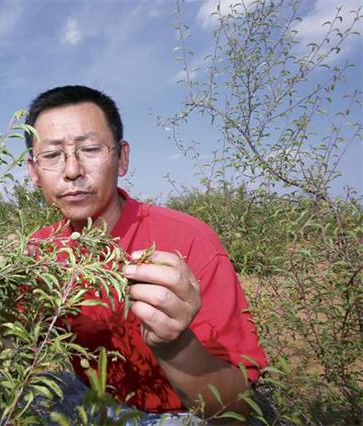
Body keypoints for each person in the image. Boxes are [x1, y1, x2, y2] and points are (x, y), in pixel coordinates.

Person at [23, 85, 268, 422]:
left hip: (182, 414)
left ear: (122, 158)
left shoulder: (191, 241)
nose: (72, 170)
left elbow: (240, 409)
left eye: (90, 149)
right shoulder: (39, 251)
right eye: (52, 156)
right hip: (94, 405)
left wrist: (174, 344)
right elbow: (14, 349)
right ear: (34, 172)